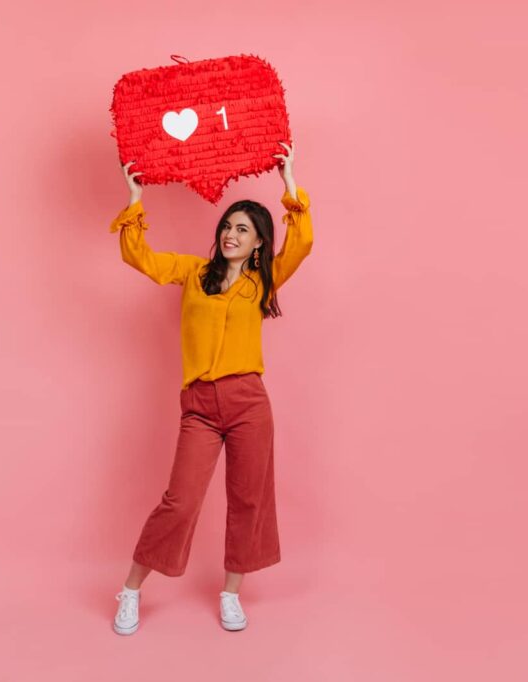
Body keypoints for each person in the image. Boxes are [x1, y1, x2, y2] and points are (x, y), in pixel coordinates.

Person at [109, 141, 313, 635]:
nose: (230, 234)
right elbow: (142, 259)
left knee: (248, 499)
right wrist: (135, 199)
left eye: (242, 230)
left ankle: (230, 594)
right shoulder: (194, 272)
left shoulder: (264, 282)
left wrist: (289, 183)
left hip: (248, 402)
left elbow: (302, 243)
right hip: (199, 405)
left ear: (258, 242)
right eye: (227, 226)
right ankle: (131, 589)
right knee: (180, 500)